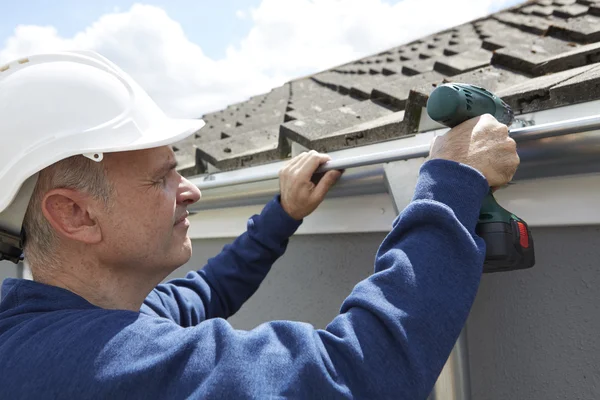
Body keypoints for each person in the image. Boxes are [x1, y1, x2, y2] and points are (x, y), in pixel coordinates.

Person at [0, 51, 519, 399]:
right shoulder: (92, 365)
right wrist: (452, 182)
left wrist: (283, 214)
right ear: (75, 214)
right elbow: (352, 376)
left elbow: (206, 291)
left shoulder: (66, 317)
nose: (191, 190)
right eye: (160, 179)